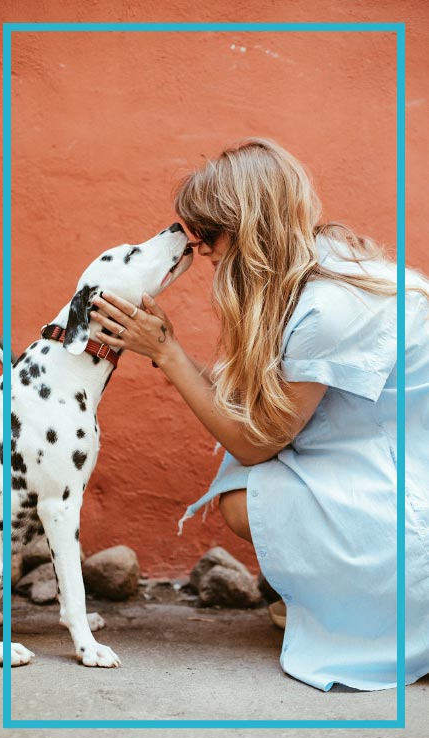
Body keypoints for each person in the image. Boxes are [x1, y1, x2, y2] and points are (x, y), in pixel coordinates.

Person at [91, 137, 429, 692]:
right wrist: (167, 345)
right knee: (252, 478)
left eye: (210, 238)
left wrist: (168, 354)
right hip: (383, 461)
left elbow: (256, 441)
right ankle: (340, 601)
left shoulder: (331, 306)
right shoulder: (324, 263)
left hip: (404, 496)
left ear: (248, 227)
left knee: (247, 496)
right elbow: (253, 405)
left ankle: (377, 610)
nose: (204, 253)